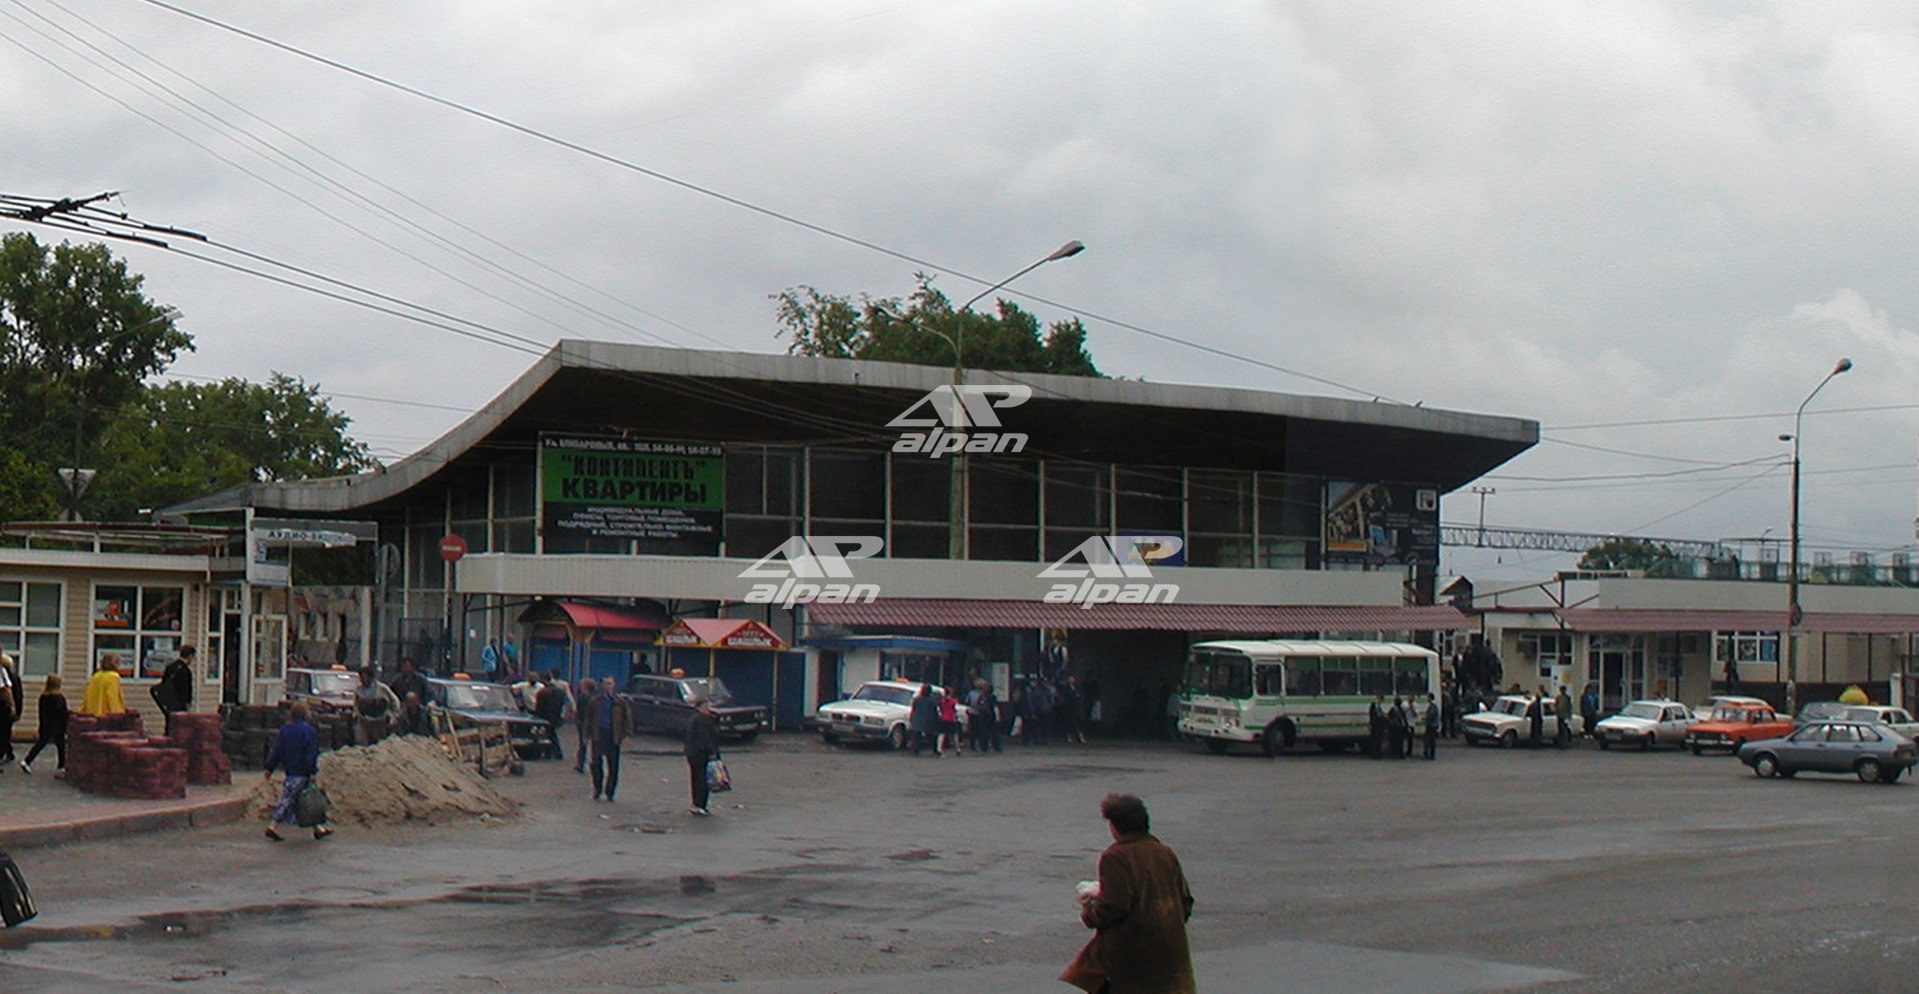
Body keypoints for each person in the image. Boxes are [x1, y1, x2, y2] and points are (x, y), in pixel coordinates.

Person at [1061, 793, 1195, 994]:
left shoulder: (1116, 856)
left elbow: (1114, 906)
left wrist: (1089, 910)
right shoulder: (1163, 852)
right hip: (1169, 950)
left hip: (1132, 952)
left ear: (1115, 826)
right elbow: (1185, 900)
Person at [262, 700, 333, 841]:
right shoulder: (308, 732)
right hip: (302, 772)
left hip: (290, 770)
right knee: (289, 799)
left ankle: (318, 829)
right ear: (306, 714)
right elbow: (310, 753)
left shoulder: (284, 730)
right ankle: (272, 826)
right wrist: (312, 771)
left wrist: (269, 768)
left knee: (303, 799)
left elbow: (276, 751)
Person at [584, 675, 631, 801]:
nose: (608, 686)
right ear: (601, 685)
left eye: (610, 684)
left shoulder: (619, 702)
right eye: (605, 684)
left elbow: (627, 718)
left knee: (613, 766)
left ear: (614, 685)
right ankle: (597, 789)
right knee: (596, 764)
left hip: (613, 736)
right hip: (598, 735)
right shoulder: (595, 701)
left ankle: (610, 792)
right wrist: (586, 735)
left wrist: (626, 734)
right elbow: (588, 719)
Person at [684, 695, 719, 816]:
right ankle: (700, 804)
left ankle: (696, 804)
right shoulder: (701, 720)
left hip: (692, 753)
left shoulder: (694, 718)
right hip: (700, 754)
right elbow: (705, 738)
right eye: (706, 706)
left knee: (696, 778)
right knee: (701, 780)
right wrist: (712, 753)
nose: (708, 708)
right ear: (701, 707)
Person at [353, 667, 401, 745]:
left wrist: (393, 715)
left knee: (378, 742)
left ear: (370, 677)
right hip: (364, 720)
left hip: (379, 720)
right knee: (361, 741)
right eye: (360, 678)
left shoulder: (382, 689)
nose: (362, 680)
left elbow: (395, 701)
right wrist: (356, 714)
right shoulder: (359, 690)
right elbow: (356, 704)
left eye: (364, 677)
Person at [533, 673, 569, 760]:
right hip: (556, 717)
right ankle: (554, 753)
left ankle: (552, 753)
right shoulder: (560, 692)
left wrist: (537, 718)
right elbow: (563, 704)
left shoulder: (542, 692)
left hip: (545, 717)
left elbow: (539, 707)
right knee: (552, 734)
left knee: (549, 736)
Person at [158, 645, 196, 715]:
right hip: (180, 704)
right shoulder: (185, 671)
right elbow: (186, 689)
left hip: (168, 703)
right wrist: (187, 704)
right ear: (190, 656)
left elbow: (164, 683)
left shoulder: (170, 667)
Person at [967, 679, 1001, 754]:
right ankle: (996, 746)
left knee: (981, 731)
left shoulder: (978, 695)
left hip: (980, 715)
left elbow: (970, 703)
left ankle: (983, 746)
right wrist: (998, 716)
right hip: (990, 715)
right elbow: (995, 707)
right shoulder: (992, 697)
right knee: (993, 732)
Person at [573, 677, 598, 774]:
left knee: (583, 743)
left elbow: (580, 711)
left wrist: (578, 720)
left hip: (583, 722)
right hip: (592, 723)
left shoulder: (583, 697)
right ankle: (592, 762)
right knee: (594, 744)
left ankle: (580, 764)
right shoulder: (595, 697)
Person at [0, 651, 19, 765]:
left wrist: (12, 705)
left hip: (3, 705)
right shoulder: (7, 673)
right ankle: (7, 752)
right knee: (4, 732)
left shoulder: (4, 672)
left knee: (3, 732)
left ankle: (5, 753)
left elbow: (7, 690)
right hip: (4, 705)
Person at [909, 684, 940, 756]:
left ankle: (916, 749)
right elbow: (935, 710)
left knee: (917, 735)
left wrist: (912, 718)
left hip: (919, 719)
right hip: (928, 720)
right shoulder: (932, 700)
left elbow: (913, 709)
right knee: (931, 736)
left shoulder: (917, 699)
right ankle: (934, 749)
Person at [936, 687, 963, 756]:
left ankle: (939, 748)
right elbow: (955, 710)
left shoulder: (941, 701)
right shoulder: (953, 701)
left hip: (943, 718)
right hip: (951, 719)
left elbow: (940, 709)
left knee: (942, 734)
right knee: (954, 735)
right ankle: (957, 749)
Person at [1421, 692, 1440, 760]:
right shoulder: (1432, 705)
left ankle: (1431, 754)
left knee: (1431, 740)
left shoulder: (1433, 705)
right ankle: (1429, 753)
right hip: (1432, 725)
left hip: (1432, 725)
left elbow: (1431, 715)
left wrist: (1426, 719)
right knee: (1429, 739)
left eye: (1427, 697)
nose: (1426, 698)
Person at [1367, 695, 1387, 759]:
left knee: (1378, 740)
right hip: (1375, 725)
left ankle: (1377, 753)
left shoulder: (1378, 706)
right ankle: (1375, 754)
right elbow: (1372, 715)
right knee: (1375, 740)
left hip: (1378, 725)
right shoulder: (1374, 705)